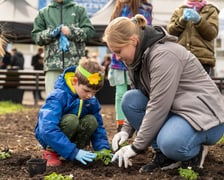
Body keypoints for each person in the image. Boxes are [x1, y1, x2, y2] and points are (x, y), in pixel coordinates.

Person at [102, 14, 224, 173]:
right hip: (179, 112)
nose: (117, 57)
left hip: (205, 118)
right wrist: (125, 130)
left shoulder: (163, 55)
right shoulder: (137, 59)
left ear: (133, 40)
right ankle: (164, 155)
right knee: (130, 100)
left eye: (118, 51)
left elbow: (158, 105)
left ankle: (194, 151)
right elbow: (140, 95)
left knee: (171, 143)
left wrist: (135, 147)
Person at [35, 58, 110, 167]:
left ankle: (76, 151)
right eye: (87, 90)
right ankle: (51, 152)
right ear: (75, 81)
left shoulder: (91, 100)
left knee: (92, 121)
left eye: (94, 92)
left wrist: (103, 149)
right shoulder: (58, 96)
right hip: (50, 139)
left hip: (72, 140)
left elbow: (99, 128)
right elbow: (47, 128)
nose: (90, 96)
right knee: (71, 120)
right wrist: (73, 152)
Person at [31, 0, 96, 96]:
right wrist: (50, 33)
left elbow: (90, 32)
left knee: (75, 99)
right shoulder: (44, 12)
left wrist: (71, 32)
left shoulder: (79, 10)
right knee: (53, 99)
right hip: (52, 66)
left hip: (75, 66)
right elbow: (36, 36)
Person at [109, 0, 153, 132]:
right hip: (119, 60)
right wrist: (117, 51)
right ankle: (121, 123)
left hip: (135, 57)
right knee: (120, 93)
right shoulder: (117, 9)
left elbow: (145, 29)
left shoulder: (144, 8)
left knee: (138, 91)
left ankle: (140, 123)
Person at [166, 0, 219, 75]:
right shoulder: (179, 10)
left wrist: (199, 20)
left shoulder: (211, 10)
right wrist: (182, 21)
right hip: (181, 58)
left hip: (202, 60)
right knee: (182, 86)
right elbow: (170, 32)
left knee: (200, 86)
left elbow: (212, 33)